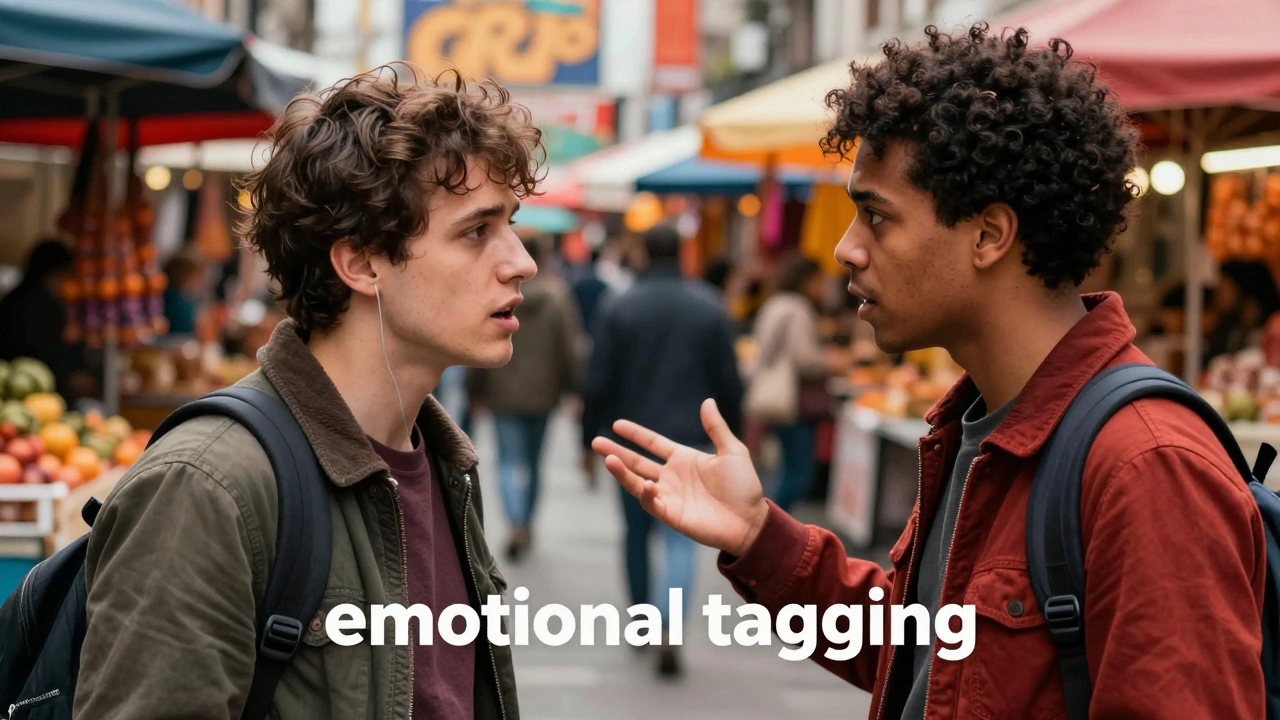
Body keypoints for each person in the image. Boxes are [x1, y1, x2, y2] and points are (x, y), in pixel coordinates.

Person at [592, 23, 1266, 719]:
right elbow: (923, 656)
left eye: (876, 217)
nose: (848, 251)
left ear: (989, 235)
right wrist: (759, 536)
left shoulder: (1146, 465)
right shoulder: (982, 421)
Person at [75, 65, 540, 719]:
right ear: (359, 263)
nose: (522, 260)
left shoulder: (445, 468)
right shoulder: (207, 488)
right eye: (475, 231)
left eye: (510, 224)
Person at [582, 223, 744, 679]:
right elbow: (730, 383)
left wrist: (586, 437)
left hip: (632, 439)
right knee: (680, 537)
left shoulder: (620, 306)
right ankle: (670, 626)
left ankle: (642, 620)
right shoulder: (708, 307)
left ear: (642, 255)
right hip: (690, 439)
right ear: (682, 254)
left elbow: (598, 380)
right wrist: (733, 437)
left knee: (635, 533)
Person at [468, 236, 585, 561]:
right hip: (543, 395)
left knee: (507, 461)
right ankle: (526, 521)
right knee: (534, 464)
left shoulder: (496, 297)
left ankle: (515, 519)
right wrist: (573, 390)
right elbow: (569, 349)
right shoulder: (558, 297)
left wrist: (474, 390)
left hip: (502, 392)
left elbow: (476, 340)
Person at [748, 254, 849, 511]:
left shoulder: (774, 304)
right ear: (807, 280)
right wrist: (834, 362)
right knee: (798, 472)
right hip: (794, 401)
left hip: (777, 396)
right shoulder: (798, 308)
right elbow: (805, 359)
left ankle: (769, 524)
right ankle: (770, 525)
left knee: (787, 467)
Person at [0, 238, 94, 399]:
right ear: (53, 274)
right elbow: (45, 350)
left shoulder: (18, 298)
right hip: (29, 391)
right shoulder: (34, 305)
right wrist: (70, 374)